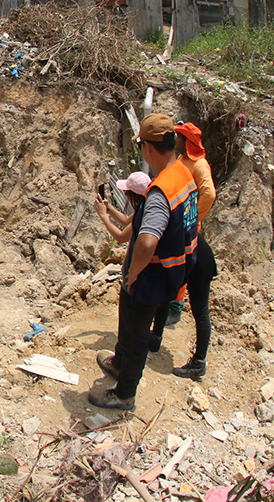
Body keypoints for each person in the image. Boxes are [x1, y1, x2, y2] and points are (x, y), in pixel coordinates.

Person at [89, 113, 199, 411]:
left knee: (136, 334)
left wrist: (134, 273)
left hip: (150, 276)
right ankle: (119, 361)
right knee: (129, 324)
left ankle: (124, 393)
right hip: (172, 270)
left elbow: (147, 240)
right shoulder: (184, 174)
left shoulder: (159, 192)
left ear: (148, 148)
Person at [165, 122, 218, 378]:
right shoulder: (184, 159)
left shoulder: (199, 164)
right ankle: (171, 311)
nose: (175, 138)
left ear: (187, 140)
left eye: (179, 136)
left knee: (200, 308)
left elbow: (208, 192)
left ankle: (199, 361)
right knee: (175, 273)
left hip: (191, 233)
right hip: (182, 230)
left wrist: (194, 217)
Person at [93, 171, 151, 244]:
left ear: (133, 195)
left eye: (126, 193)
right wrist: (109, 209)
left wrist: (103, 215)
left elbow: (121, 237)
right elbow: (127, 221)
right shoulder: (146, 205)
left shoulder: (146, 212)